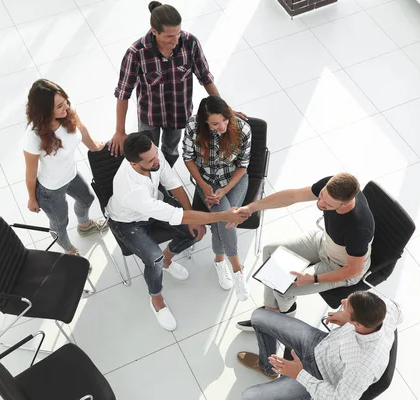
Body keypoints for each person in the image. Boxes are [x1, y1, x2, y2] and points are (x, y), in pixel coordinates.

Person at [106, 132, 250, 331]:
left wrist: (192, 214)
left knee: (194, 233)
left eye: (156, 154)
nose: (157, 160)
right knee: (153, 260)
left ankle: (168, 258)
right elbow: (176, 215)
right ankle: (156, 298)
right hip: (128, 223)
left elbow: (173, 184)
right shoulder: (133, 192)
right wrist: (223, 216)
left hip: (154, 202)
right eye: (151, 160)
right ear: (134, 164)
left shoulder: (153, 156)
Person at [109, 1, 246, 166]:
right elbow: (123, 93)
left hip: (178, 113)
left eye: (178, 33)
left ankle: (165, 179)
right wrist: (119, 131)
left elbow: (205, 78)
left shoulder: (190, 43)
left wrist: (226, 110)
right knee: (146, 154)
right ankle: (151, 182)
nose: (175, 40)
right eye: (169, 36)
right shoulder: (136, 53)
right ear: (154, 32)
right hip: (150, 114)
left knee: (170, 151)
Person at [236, 173, 375, 331]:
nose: (320, 203)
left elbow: (353, 270)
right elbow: (292, 196)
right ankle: (272, 311)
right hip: (323, 242)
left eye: (328, 204)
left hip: (340, 266)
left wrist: (313, 278)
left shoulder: (359, 227)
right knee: (270, 253)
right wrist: (250, 208)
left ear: (344, 204)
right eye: (321, 195)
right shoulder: (332, 185)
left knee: (283, 286)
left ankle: (283, 315)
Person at [237, 291, 402, 400]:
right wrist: (346, 319)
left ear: (358, 324)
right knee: (258, 317)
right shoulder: (386, 307)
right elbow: (399, 311)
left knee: (248, 396)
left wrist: (299, 374)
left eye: (346, 307)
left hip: (320, 376)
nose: (342, 301)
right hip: (320, 344)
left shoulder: (363, 367)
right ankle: (268, 369)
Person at [24, 79, 107, 257]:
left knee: (87, 199)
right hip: (50, 189)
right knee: (60, 223)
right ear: (46, 111)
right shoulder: (34, 136)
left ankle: (84, 226)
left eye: (65, 101)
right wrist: (32, 198)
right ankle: (69, 251)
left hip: (71, 174)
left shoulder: (67, 111)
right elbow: (30, 174)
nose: (66, 107)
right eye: (60, 106)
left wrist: (95, 147)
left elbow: (81, 128)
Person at [183, 96, 251, 301]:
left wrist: (225, 189)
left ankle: (222, 261)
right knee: (226, 218)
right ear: (205, 121)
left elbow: (243, 165)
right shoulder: (193, 127)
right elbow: (187, 158)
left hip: (235, 180)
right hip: (207, 182)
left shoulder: (242, 129)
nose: (221, 126)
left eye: (224, 120)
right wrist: (204, 186)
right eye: (214, 123)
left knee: (224, 219)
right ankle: (236, 269)